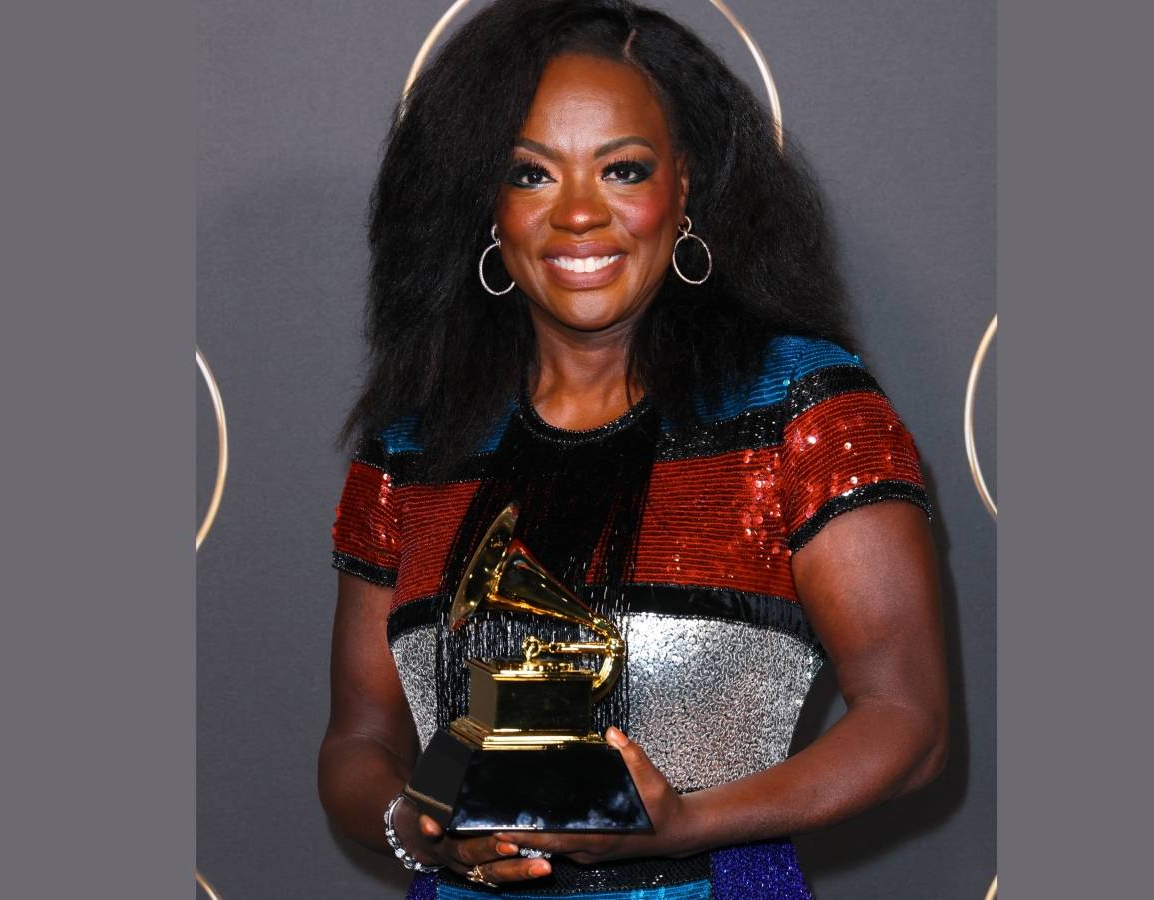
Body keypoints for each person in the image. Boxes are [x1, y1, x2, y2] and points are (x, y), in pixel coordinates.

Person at [320, 1, 948, 897]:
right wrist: (423, 827)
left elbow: (910, 724)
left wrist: (686, 823)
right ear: (486, 206)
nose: (578, 214)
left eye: (621, 169)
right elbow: (358, 743)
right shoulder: (410, 448)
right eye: (530, 174)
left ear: (684, 186)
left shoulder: (800, 409)